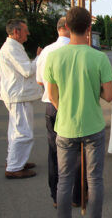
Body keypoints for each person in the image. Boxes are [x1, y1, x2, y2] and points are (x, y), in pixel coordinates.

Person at [45, 7, 112, 218]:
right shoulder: (99, 57)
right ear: (89, 28)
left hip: (65, 126)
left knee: (64, 179)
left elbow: (52, 95)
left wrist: (66, 109)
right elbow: (109, 95)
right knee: (95, 179)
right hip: (93, 124)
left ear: (66, 27)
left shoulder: (53, 57)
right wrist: (95, 90)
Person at [36, 16, 81, 207]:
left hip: (51, 106)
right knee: (77, 152)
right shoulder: (76, 50)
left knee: (55, 151)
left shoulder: (46, 51)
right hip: (72, 105)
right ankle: (75, 196)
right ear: (69, 28)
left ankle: (56, 195)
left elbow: (40, 81)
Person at [0, 19, 42, 179]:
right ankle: (14, 167)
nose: (28, 33)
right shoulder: (11, 48)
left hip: (17, 94)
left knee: (16, 131)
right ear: (16, 32)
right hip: (18, 95)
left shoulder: (13, 47)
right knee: (22, 132)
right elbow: (27, 70)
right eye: (25, 30)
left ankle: (15, 161)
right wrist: (39, 58)